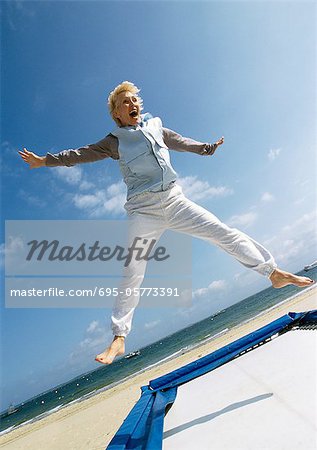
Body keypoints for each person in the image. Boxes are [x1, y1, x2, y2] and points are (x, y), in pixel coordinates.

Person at [19, 81, 314, 364]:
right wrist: (45, 161)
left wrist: (205, 148)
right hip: (143, 210)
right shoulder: (113, 142)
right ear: (117, 114)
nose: (132, 103)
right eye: (125, 102)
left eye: (134, 99)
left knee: (223, 232)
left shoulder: (156, 126)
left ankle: (272, 272)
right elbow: (80, 154)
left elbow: (180, 142)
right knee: (132, 269)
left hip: (175, 200)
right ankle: (119, 337)